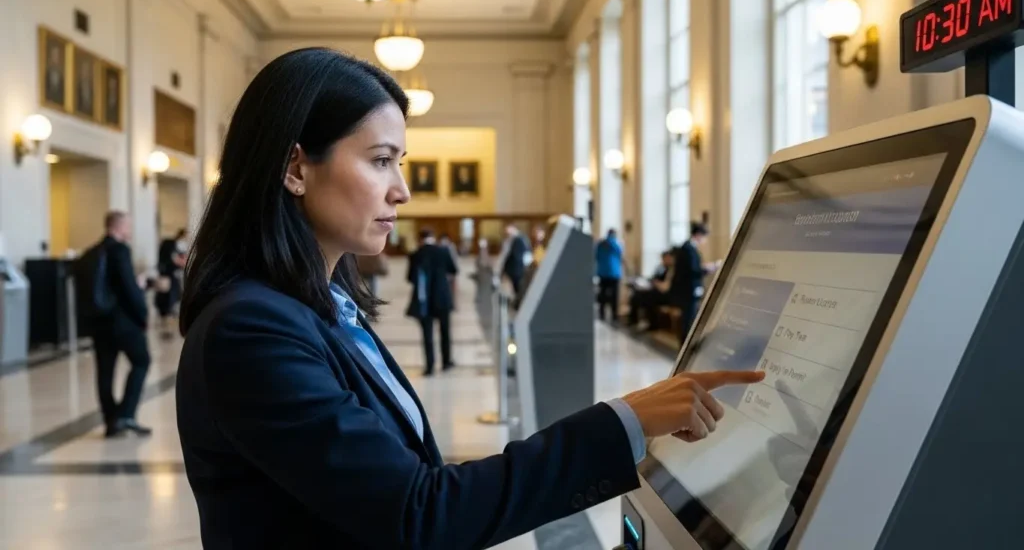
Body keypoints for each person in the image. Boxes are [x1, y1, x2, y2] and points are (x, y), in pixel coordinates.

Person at [174, 48, 763, 549]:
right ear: (295, 167)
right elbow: (417, 512)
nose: (402, 191)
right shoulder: (251, 329)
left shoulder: (320, 307)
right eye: (381, 161)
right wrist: (625, 422)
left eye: (398, 163)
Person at [85, 211, 153, 438]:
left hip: (99, 323)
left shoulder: (91, 253)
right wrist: (143, 314)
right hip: (122, 322)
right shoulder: (120, 250)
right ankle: (126, 414)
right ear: (119, 226)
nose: (130, 231)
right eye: (128, 226)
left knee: (105, 371)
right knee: (142, 360)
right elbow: (128, 289)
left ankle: (111, 420)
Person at [407, 229, 458, 375]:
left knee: (427, 334)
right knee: (445, 331)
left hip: (424, 299)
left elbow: (410, 278)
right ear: (433, 237)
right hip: (442, 297)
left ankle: (429, 366)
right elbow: (453, 270)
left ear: (420, 239)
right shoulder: (443, 251)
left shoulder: (416, 254)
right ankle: (446, 362)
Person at [670, 222, 721, 344]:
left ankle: (688, 341)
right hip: (688, 290)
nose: (705, 241)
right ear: (698, 235)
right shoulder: (688, 249)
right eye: (704, 237)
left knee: (691, 317)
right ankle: (686, 343)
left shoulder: (688, 248)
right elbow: (693, 270)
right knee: (688, 318)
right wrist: (710, 267)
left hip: (688, 289)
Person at [627, 250, 675, 330]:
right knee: (636, 295)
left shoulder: (672, 269)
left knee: (649, 299)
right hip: (657, 290)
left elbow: (666, 287)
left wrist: (657, 283)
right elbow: (654, 278)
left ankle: (652, 324)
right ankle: (634, 320)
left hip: (666, 295)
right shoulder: (661, 268)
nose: (663, 261)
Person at [155, 228, 187, 333]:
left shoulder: (169, 245)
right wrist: (181, 264)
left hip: (166, 275)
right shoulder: (171, 245)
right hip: (169, 276)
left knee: (169, 295)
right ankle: (167, 319)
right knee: (170, 296)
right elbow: (174, 260)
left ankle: (166, 316)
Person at [595, 228, 624, 322]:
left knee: (602, 294)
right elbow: (621, 255)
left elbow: (596, 256)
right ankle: (614, 315)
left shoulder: (600, 244)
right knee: (614, 295)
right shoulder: (617, 244)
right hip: (614, 274)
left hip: (603, 272)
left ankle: (602, 313)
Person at [499, 223, 530, 296]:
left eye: (508, 230)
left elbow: (523, 254)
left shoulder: (519, 239)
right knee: (515, 286)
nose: (507, 232)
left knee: (518, 286)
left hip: (517, 268)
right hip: (513, 268)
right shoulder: (510, 239)